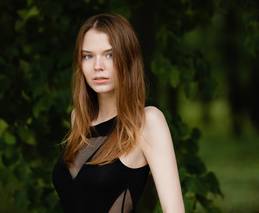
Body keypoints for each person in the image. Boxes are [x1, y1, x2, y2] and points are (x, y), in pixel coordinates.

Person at [52, 13, 185, 213]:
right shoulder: (78, 119)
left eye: (109, 55)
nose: (98, 66)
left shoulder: (148, 122)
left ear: (128, 59)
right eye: (88, 55)